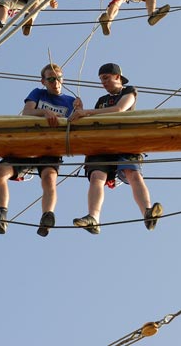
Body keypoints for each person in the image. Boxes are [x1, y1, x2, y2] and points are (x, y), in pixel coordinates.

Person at [0, 63, 80, 237]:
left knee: (49, 178)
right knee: (0, 171)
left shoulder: (71, 101)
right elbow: (27, 112)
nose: (56, 82)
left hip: (50, 148)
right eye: (51, 79)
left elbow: (76, 123)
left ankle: (47, 217)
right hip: (28, 144)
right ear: (43, 81)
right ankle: (1, 215)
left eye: (59, 78)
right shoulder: (38, 94)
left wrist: (80, 109)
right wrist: (45, 112)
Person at [68, 63, 162, 234]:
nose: (103, 83)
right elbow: (92, 121)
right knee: (97, 176)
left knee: (132, 173)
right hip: (102, 144)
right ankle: (93, 218)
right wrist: (80, 110)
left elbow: (119, 109)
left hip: (125, 141)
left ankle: (147, 212)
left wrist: (86, 112)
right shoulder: (101, 101)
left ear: (117, 76)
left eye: (106, 78)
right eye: (101, 80)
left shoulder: (129, 91)